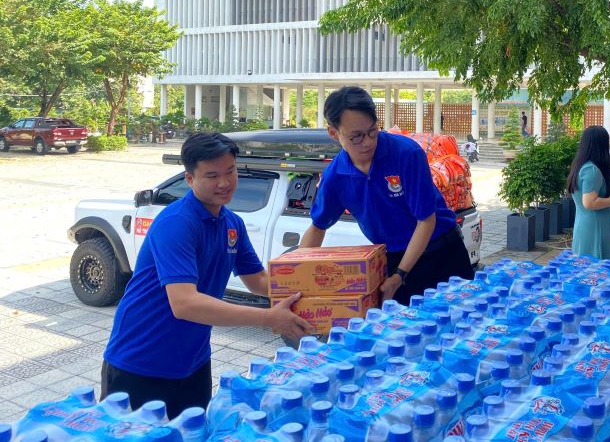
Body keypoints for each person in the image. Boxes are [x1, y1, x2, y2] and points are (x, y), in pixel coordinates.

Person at [102, 133, 312, 418]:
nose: (224, 183)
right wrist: (267, 318)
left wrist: (314, 292)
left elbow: (258, 281)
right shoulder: (177, 223)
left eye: (231, 171)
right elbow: (184, 303)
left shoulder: (231, 223)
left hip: (193, 362)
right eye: (212, 175)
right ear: (189, 179)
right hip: (140, 361)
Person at [300, 86, 474, 305]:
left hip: (440, 252)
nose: (368, 142)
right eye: (356, 137)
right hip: (392, 261)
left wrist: (400, 274)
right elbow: (318, 227)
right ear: (334, 133)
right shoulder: (336, 176)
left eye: (372, 131)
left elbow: (426, 220)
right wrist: (298, 278)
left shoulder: (406, 153)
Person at [567, 126, 610, 261]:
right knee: (597, 269)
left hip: (585, 224)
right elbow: (589, 202)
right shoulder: (591, 170)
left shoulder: (584, 165)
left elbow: (605, 178)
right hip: (595, 228)